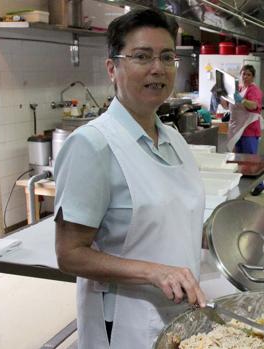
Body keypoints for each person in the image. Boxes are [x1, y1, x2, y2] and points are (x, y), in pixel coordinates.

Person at [54, 9, 206, 349]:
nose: (158, 68)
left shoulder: (172, 138)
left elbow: (172, 214)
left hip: (180, 315)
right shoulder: (92, 145)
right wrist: (154, 271)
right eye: (141, 56)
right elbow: (69, 254)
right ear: (112, 68)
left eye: (167, 57)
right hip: (125, 324)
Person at [221, 65, 264, 196]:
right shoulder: (239, 89)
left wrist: (242, 100)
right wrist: (222, 96)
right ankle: (243, 183)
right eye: (243, 74)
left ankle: (259, 184)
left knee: (251, 159)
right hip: (238, 130)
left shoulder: (254, 90)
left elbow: (254, 105)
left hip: (249, 130)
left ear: (253, 77)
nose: (245, 77)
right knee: (239, 159)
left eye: (248, 74)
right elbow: (227, 105)